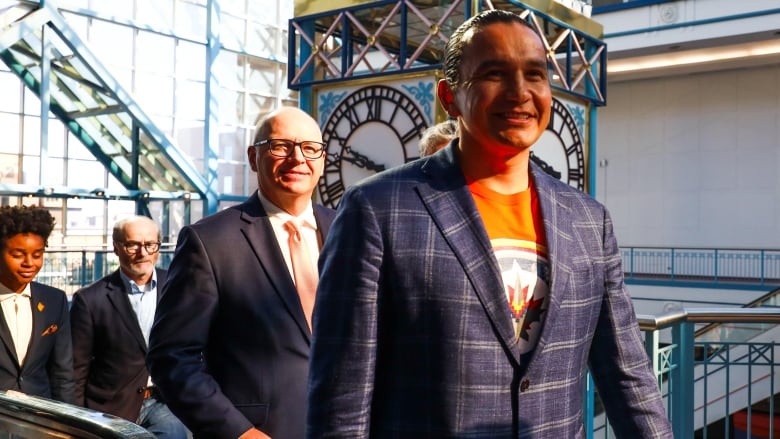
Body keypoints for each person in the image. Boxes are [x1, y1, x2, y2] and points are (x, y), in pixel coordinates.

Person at [307, 9, 673, 438]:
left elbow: (628, 378)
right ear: (449, 96)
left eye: (535, 75)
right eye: (495, 73)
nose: (520, 92)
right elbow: (342, 403)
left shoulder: (589, 222)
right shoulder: (376, 210)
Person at [147, 106, 336, 439]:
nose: (297, 158)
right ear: (253, 157)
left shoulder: (348, 229)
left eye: (310, 148)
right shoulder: (209, 241)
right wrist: (238, 432)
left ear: (321, 160)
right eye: (280, 146)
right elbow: (172, 357)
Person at [70, 215, 188, 438]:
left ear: (158, 248)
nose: (143, 253)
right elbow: (77, 368)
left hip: (165, 401)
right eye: (133, 244)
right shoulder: (89, 300)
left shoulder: (178, 288)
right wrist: (76, 423)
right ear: (116, 248)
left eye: (150, 245)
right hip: (112, 406)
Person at [0, 205, 75, 403]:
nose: (29, 263)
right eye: (17, 255)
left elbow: (63, 374)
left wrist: (68, 425)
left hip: (40, 420)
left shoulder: (55, 300)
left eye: (37, 254)